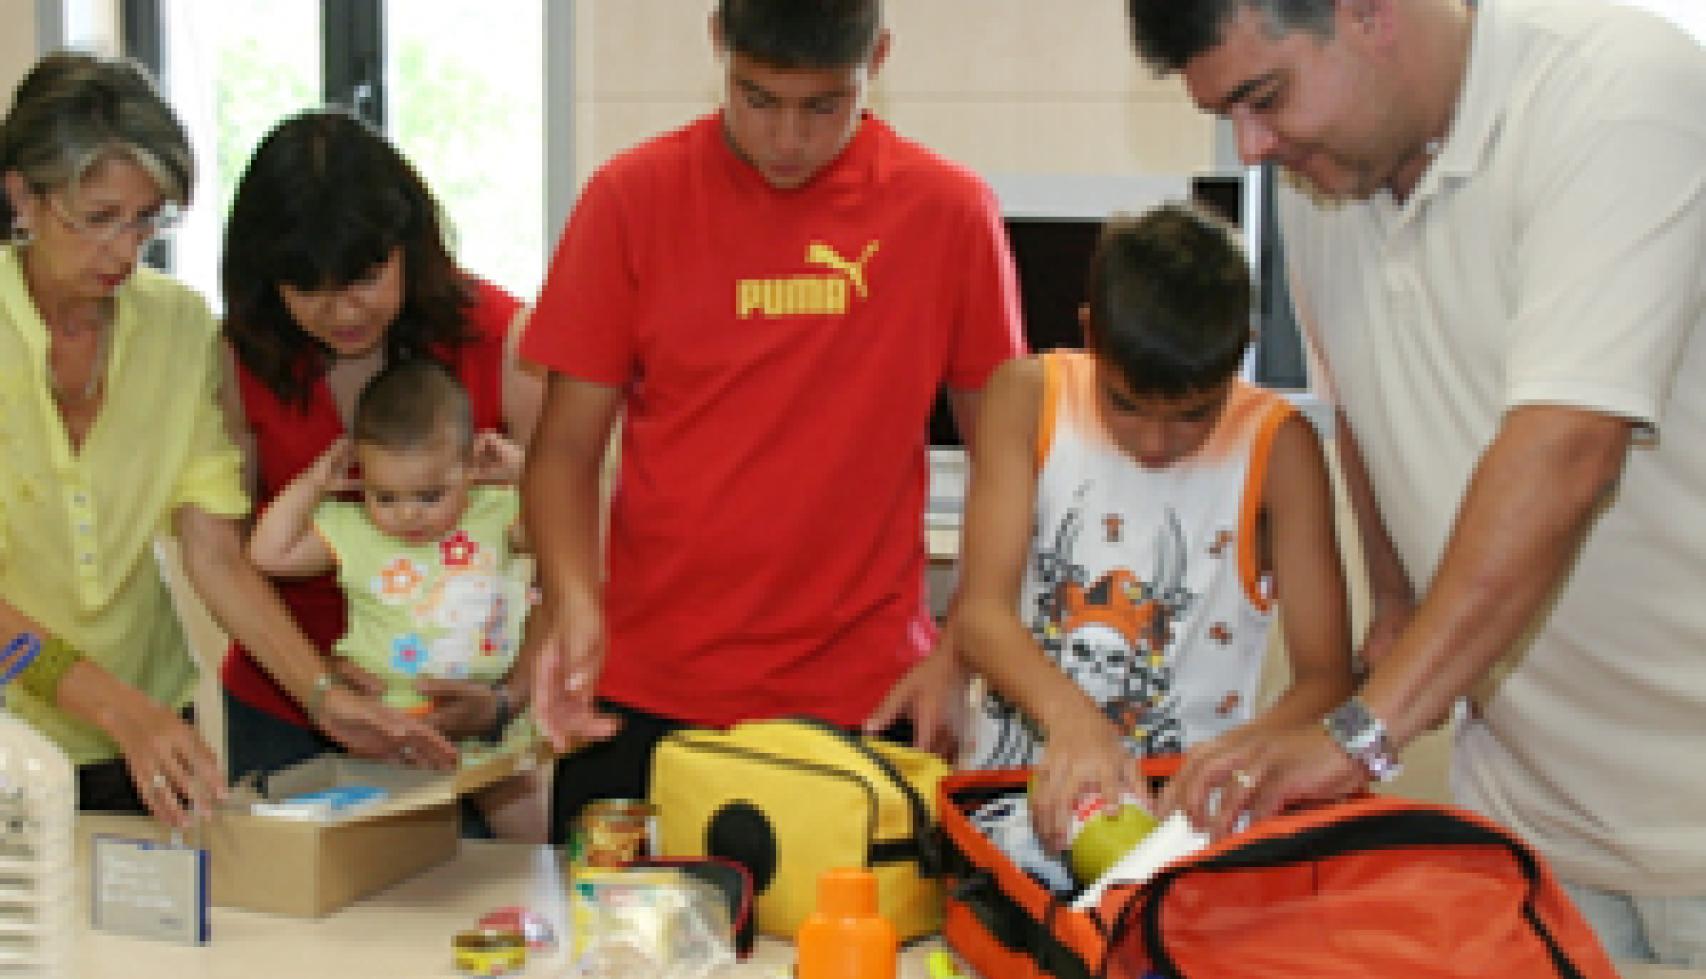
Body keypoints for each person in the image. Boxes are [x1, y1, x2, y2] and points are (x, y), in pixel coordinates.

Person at [1127, 0, 1706, 965]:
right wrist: (1393, 601)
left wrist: (1360, 735)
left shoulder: (1615, 96)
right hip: (1530, 817)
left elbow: (1568, 446)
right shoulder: (1328, 193)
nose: (1253, 147)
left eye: (1264, 98)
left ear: (1371, 13)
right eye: (1228, 116)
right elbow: (1365, 398)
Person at [521, 0, 1025, 835]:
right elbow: (564, 451)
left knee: (857, 965)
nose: (787, 138)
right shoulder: (630, 199)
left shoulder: (948, 213)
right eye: (757, 99)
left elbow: (1005, 462)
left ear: (880, 60)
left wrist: (956, 649)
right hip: (648, 697)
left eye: (824, 106)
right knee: (617, 959)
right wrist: (575, 603)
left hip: (863, 701)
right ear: (719, 43)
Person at [0, 52, 448, 830]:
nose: (124, 250)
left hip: (145, 734)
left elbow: (212, 547)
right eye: (98, 218)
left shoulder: (177, 330)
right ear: (22, 198)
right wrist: (117, 709)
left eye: (148, 219)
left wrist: (322, 697)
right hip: (46, 728)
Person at [955, 203, 1351, 840]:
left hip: (1182, 821)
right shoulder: (1028, 398)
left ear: (1241, 354)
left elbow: (1328, 678)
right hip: (1012, 803)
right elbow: (980, 617)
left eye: (1195, 414)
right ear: (1090, 333)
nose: (1156, 443)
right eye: (1125, 404)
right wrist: (1073, 720)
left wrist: (1231, 756)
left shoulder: (1280, 449)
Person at [221, 108, 543, 785]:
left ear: (408, 246)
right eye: (308, 289)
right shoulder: (244, 354)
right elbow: (225, 548)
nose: (342, 312)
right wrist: (319, 685)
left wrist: (506, 696)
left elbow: (579, 545)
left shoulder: (501, 336)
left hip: (466, 710)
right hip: (286, 700)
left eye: (364, 279)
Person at [248, 359, 548, 841]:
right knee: (400, 857)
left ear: (471, 466)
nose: (407, 514)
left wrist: (525, 472)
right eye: (384, 496)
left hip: (491, 722)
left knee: (527, 844)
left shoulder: (496, 511)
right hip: (392, 728)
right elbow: (268, 554)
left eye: (430, 496)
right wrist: (311, 484)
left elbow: (563, 534)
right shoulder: (352, 527)